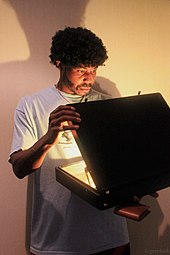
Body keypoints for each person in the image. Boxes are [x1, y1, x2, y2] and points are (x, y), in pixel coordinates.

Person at [9, 27, 130, 255]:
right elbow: (19, 168)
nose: (89, 78)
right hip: (56, 240)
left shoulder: (108, 103)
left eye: (93, 69)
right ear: (59, 63)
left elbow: (122, 164)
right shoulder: (31, 105)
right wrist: (49, 137)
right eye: (82, 69)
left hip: (110, 237)